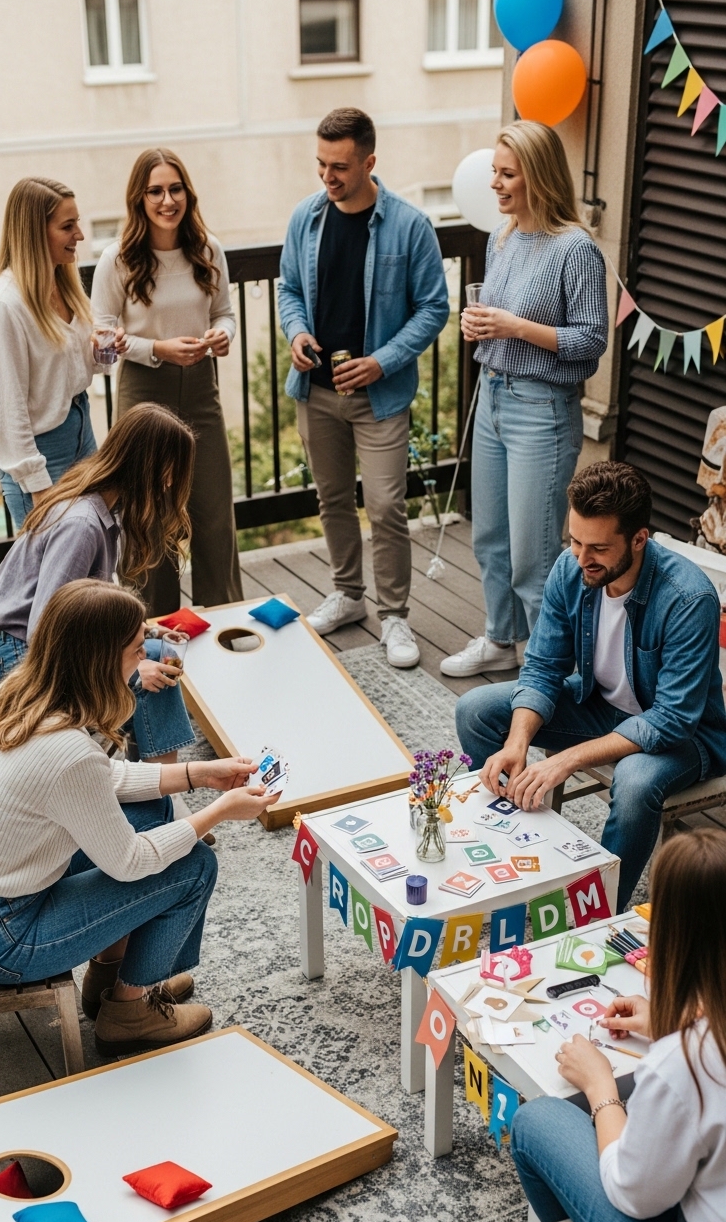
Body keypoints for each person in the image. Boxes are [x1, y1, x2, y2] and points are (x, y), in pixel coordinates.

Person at [0, 579, 277, 1054]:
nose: (143, 656)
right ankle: (130, 1012)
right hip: (0, 938)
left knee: (153, 812)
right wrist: (220, 812)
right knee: (193, 865)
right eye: (135, 649)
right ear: (101, 660)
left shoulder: (12, 695)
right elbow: (128, 862)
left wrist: (199, 775)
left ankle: (110, 976)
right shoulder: (67, 752)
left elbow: (101, 779)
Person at [455, 461, 726, 911]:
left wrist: (566, 760)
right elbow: (543, 666)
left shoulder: (688, 598)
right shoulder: (572, 569)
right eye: (576, 541)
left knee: (635, 782)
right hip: (601, 705)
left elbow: (673, 719)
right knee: (476, 710)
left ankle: (599, 914)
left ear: (639, 539)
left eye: (598, 547)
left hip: (688, 737)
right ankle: (517, 854)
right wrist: (517, 743)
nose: (582, 559)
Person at [511, 828, 726, 1222]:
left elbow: (634, 1193)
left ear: (671, 936)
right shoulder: (696, 1045)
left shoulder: (683, 1063)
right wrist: (675, 1022)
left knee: (536, 1122)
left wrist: (600, 1087)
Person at [278, 107, 449, 669]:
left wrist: (382, 362)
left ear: (369, 162)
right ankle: (348, 594)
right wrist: (297, 332)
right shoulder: (305, 218)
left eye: (340, 166)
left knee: (385, 506)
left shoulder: (410, 225)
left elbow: (434, 308)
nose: (327, 176)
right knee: (331, 500)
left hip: (379, 396)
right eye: (321, 164)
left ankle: (393, 614)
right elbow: (288, 290)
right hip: (316, 391)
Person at [441, 122, 608, 679]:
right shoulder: (502, 237)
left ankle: (548, 670)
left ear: (538, 176)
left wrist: (514, 326)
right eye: (494, 171)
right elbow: (499, 320)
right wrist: (479, 327)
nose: (495, 183)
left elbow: (590, 342)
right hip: (492, 397)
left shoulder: (576, 249)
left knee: (534, 558)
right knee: (490, 539)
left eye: (507, 173)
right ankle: (501, 638)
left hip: (541, 410)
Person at [0, 402, 197, 765]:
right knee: (148, 675)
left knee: (156, 659)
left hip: (45, 647)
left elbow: (88, 609)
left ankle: (158, 787)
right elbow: (44, 631)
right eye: (169, 472)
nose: (169, 484)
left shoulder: (101, 508)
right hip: (29, 660)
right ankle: (156, 792)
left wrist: (145, 634)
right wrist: (129, 674)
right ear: (147, 465)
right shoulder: (82, 525)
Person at [91, 147, 242, 614]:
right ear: (139, 198)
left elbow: (225, 313)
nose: (167, 200)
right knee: (148, 520)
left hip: (201, 389)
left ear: (187, 193)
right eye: (155, 191)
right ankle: (151, 631)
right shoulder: (117, 259)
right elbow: (102, 334)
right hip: (143, 394)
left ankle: (223, 623)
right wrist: (156, 349)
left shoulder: (208, 249)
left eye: (175, 189)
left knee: (213, 514)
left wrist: (223, 335)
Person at [0, 177, 111, 530]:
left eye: (77, 223)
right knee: (56, 564)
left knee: (96, 556)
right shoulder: (5, 305)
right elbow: (7, 410)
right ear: (34, 233)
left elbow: (71, 368)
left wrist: (104, 352)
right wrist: (37, 485)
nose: (80, 234)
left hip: (82, 435)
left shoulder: (62, 284)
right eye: (68, 226)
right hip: (40, 457)